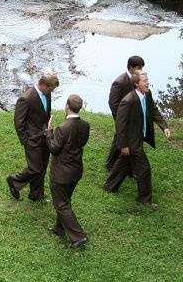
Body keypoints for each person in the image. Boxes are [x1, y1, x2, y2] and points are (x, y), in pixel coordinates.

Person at [104, 71, 171, 207]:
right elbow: (120, 125)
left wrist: (164, 127)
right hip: (131, 141)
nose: (147, 83)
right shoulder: (128, 101)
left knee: (124, 163)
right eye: (144, 81)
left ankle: (109, 187)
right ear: (136, 84)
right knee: (144, 169)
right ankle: (144, 200)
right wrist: (123, 146)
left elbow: (154, 110)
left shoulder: (147, 94)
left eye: (147, 80)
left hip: (139, 137)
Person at [7, 72, 59, 202]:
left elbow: (46, 112)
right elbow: (19, 123)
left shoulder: (47, 93)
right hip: (32, 139)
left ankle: (36, 195)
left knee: (42, 167)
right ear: (44, 85)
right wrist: (26, 141)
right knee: (35, 168)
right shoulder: (26, 98)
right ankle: (14, 181)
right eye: (51, 88)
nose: (52, 91)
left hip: (45, 136)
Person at [46, 94, 90, 249]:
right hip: (76, 170)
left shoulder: (63, 128)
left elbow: (53, 148)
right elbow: (82, 142)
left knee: (61, 204)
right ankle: (60, 228)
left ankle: (78, 237)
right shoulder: (85, 125)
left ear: (67, 106)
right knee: (65, 200)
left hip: (61, 174)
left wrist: (49, 132)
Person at [106, 55, 145, 171]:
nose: (141, 70)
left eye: (142, 68)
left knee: (121, 139)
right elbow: (113, 103)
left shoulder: (136, 79)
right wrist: (120, 119)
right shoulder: (119, 82)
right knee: (121, 139)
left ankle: (116, 165)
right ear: (131, 67)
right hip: (122, 118)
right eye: (139, 68)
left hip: (132, 117)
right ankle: (111, 164)